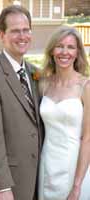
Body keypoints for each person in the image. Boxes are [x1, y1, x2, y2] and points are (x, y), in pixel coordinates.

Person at [0, 5, 43, 200]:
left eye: (26, 30)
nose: (22, 36)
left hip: (38, 178)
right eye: (15, 31)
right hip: (10, 184)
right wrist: (3, 187)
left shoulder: (35, 73)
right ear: (2, 35)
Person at [38, 25, 90, 200]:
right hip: (47, 163)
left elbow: (87, 139)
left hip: (74, 164)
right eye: (60, 46)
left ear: (77, 53)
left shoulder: (85, 86)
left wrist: (77, 185)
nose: (64, 52)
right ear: (52, 50)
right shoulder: (43, 84)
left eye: (71, 47)